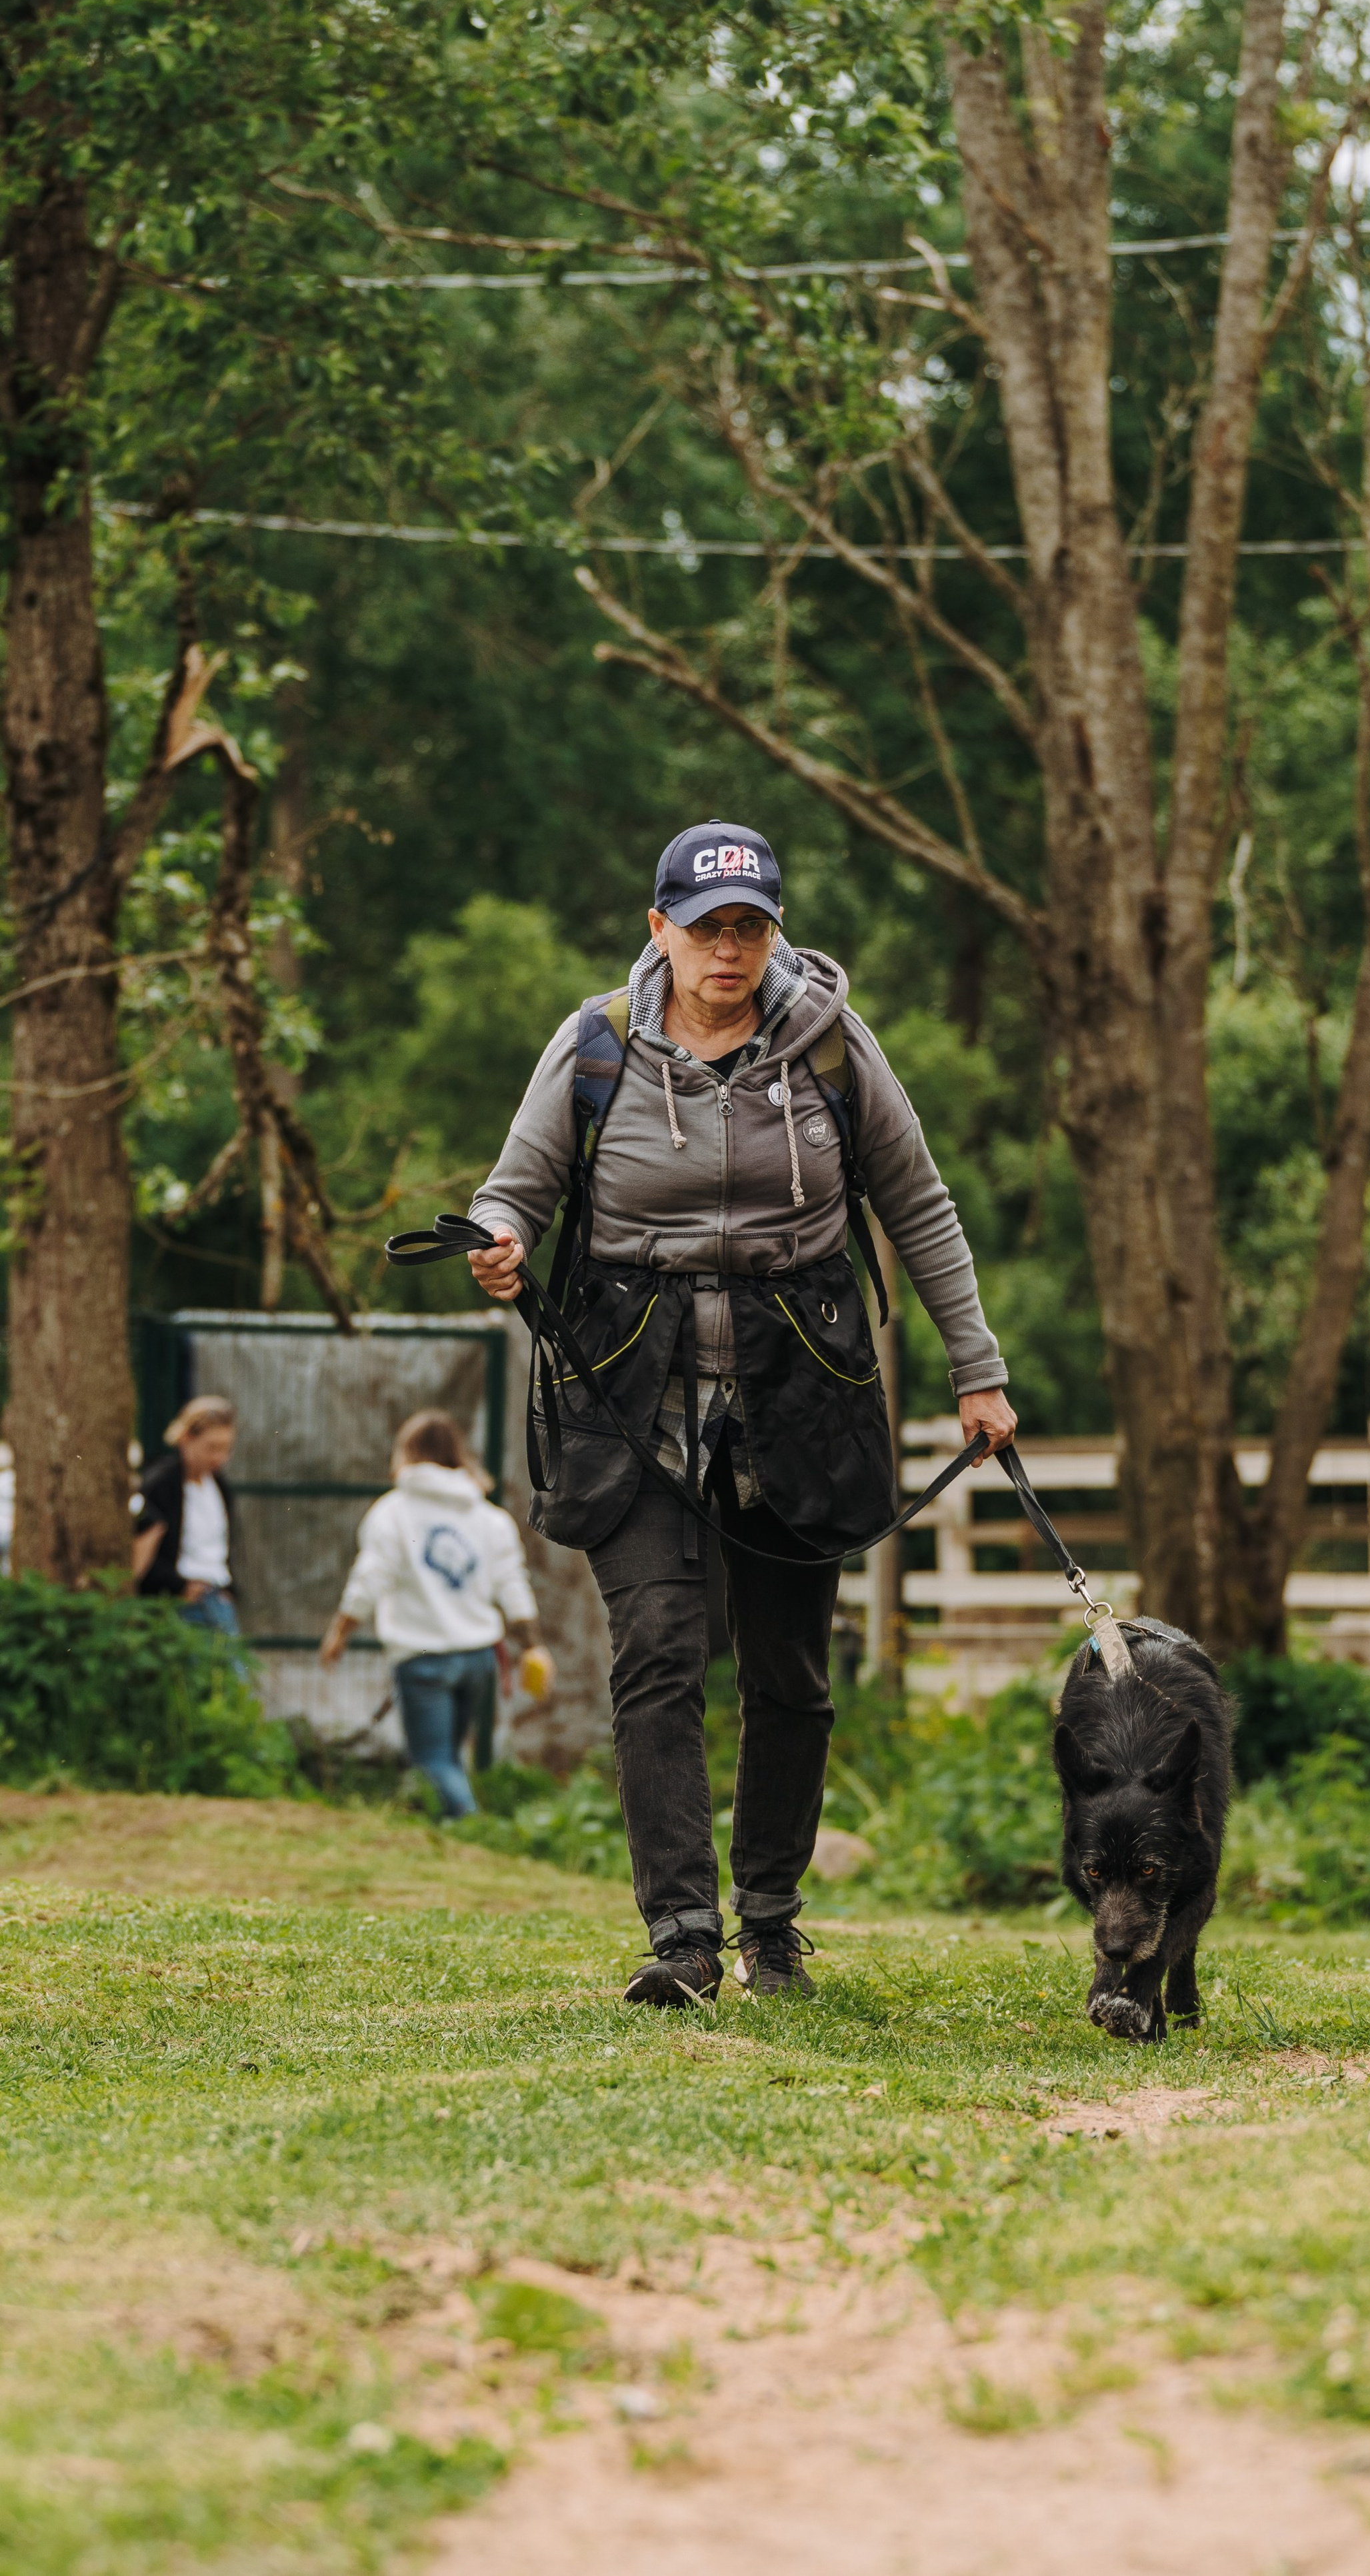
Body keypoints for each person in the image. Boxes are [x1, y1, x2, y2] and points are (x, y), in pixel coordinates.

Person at [465, 818, 1016, 2008]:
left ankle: (771, 1924)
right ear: (658, 929)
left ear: (775, 932)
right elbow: (516, 1188)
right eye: (707, 927)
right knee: (659, 1655)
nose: (729, 949)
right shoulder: (594, 1045)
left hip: (800, 1385)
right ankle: (682, 1937)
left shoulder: (834, 1046)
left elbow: (920, 1206)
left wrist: (978, 1370)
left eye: (749, 927)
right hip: (632, 1387)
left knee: (790, 1672)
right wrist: (499, 1239)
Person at [319, 1409, 552, 1821]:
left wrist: (340, 1631)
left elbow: (369, 1580)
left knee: (433, 1760)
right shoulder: (490, 1518)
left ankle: (472, 1829)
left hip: (423, 1658)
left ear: (405, 1453)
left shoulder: (392, 1512)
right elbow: (513, 1587)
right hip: (478, 1658)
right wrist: (535, 1646)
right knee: (450, 1756)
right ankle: (450, 1827)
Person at [132, 1394, 241, 1634]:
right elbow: (145, 1548)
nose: (219, 1458)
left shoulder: (220, 1487)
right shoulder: (161, 1484)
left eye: (226, 1449)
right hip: (179, 1602)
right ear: (186, 1439)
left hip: (218, 1597)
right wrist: (179, 1586)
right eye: (212, 1448)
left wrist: (230, 1589)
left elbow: (223, 1545)